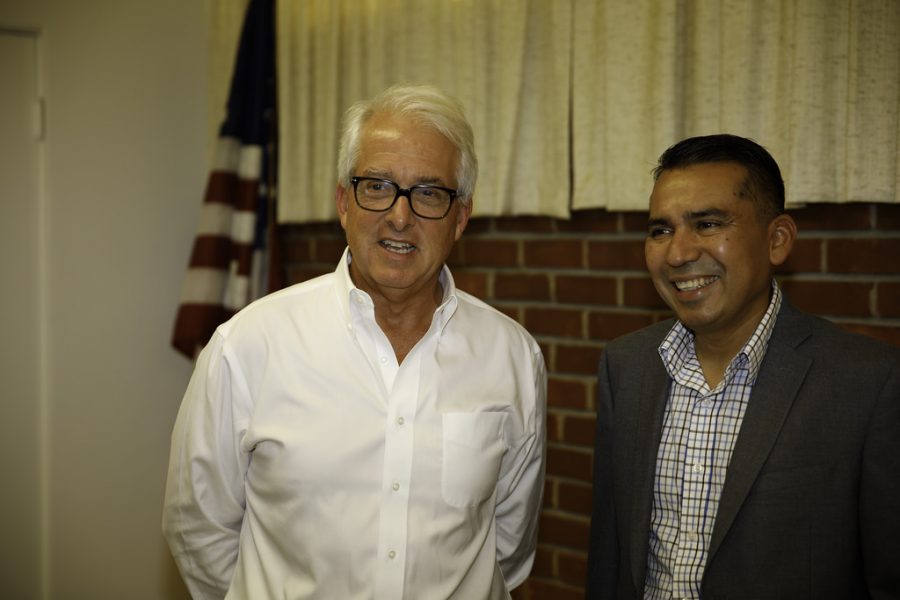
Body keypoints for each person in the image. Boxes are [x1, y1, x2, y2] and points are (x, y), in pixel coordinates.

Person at [163, 83, 546, 599]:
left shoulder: (513, 358)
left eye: (430, 192)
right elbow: (198, 530)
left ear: (461, 217)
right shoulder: (247, 346)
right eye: (377, 186)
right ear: (344, 201)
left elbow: (509, 543)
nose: (400, 216)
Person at [585, 134, 900, 599]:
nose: (678, 253)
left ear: (777, 240)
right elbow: (609, 555)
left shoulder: (866, 382)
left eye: (708, 224)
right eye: (660, 230)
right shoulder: (626, 366)